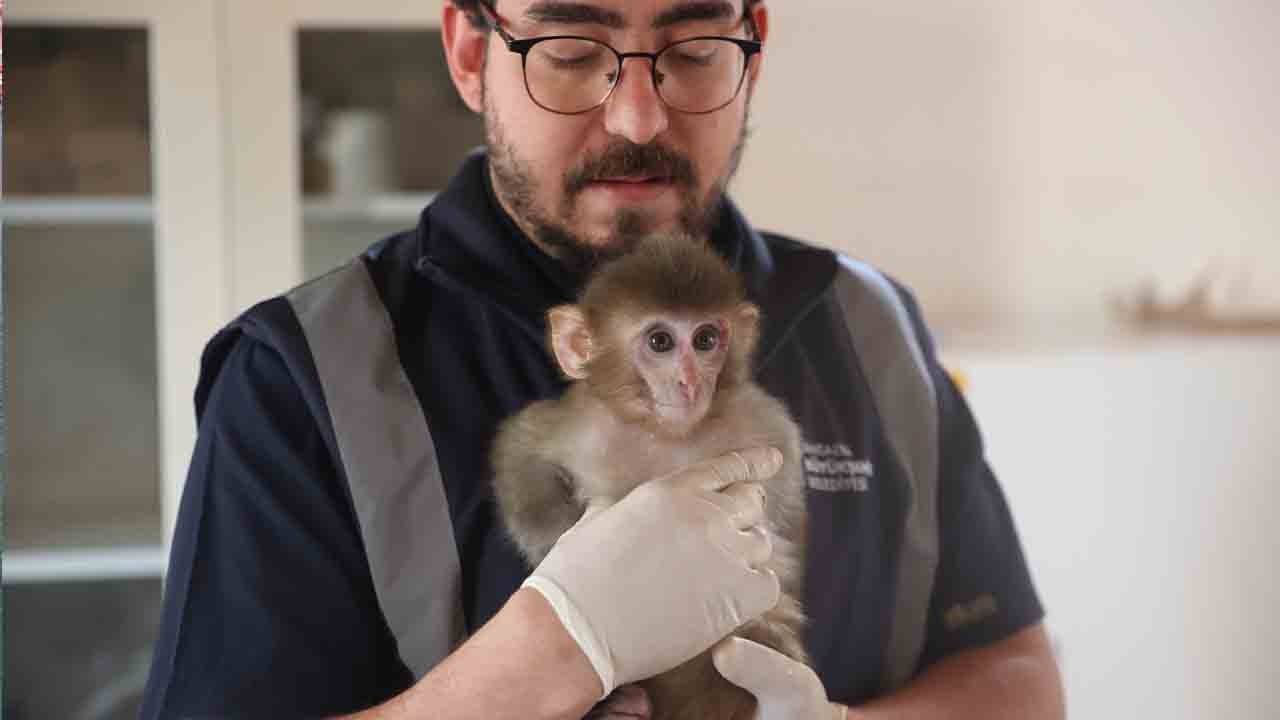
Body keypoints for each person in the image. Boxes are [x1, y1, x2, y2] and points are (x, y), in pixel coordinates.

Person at [141, 1, 1065, 718]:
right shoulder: (305, 375)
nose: (636, 113)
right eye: (572, 50)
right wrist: (550, 651)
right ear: (471, 51)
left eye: (695, 48)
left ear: (754, 48)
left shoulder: (869, 327)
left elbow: (1016, 673)